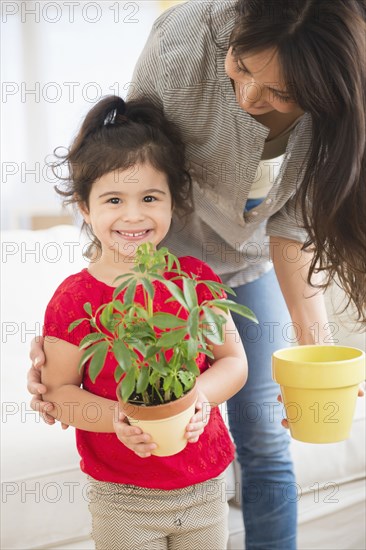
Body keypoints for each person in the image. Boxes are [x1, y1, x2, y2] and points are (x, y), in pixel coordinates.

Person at [28, 1, 366, 548]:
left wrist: (314, 349)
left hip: (247, 260)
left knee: (264, 436)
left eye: (280, 93)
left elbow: (293, 227)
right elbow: (136, 160)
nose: (251, 99)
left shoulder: (338, 107)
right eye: (242, 67)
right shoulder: (184, 41)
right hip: (168, 256)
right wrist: (66, 369)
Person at [39, 94, 248, 550]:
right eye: (114, 199)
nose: (134, 215)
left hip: (204, 483)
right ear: (85, 207)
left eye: (150, 197)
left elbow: (232, 361)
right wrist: (116, 416)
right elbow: (59, 392)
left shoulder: (194, 281)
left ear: (174, 201)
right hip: (122, 497)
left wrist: (201, 399)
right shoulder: (75, 299)